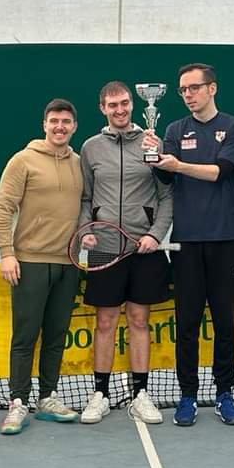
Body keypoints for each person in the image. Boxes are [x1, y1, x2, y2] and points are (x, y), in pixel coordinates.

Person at [143, 62, 234, 427]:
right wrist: (155, 157)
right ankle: (187, 395)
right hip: (186, 242)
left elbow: (221, 172)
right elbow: (165, 178)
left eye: (194, 88)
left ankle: (224, 394)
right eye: (183, 90)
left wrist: (178, 165)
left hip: (226, 239)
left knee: (225, 322)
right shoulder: (174, 129)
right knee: (187, 323)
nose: (187, 95)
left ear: (211, 88)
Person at [78, 81, 173, 425]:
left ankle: (141, 395)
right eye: (112, 105)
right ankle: (100, 394)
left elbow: (166, 197)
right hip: (104, 250)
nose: (119, 110)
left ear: (133, 105)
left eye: (124, 103)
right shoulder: (90, 148)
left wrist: (155, 234)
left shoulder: (153, 143)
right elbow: (85, 198)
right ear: (102, 108)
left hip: (144, 250)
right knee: (105, 322)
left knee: (139, 321)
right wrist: (85, 230)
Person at [0, 99, 82, 435]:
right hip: (29, 262)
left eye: (66, 122)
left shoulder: (78, 163)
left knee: (56, 335)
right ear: (44, 124)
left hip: (68, 264)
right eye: (54, 121)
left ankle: (47, 398)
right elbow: (2, 210)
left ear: (74, 127)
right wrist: (7, 253)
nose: (60, 127)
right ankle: (18, 401)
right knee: (25, 337)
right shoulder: (23, 160)